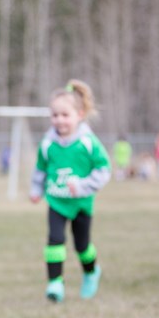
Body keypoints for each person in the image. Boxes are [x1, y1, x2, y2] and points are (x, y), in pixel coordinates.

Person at [29, 79, 111, 303]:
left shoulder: (87, 142)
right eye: (55, 115)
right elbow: (40, 169)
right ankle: (55, 284)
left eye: (65, 115)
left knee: (82, 246)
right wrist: (36, 189)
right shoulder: (47, 143)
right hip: (56, 201)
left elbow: (104, 169)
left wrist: (84, 186)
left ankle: (91, 272)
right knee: (54, 240)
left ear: (80, 114)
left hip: (81, 204)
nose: (59, 120)